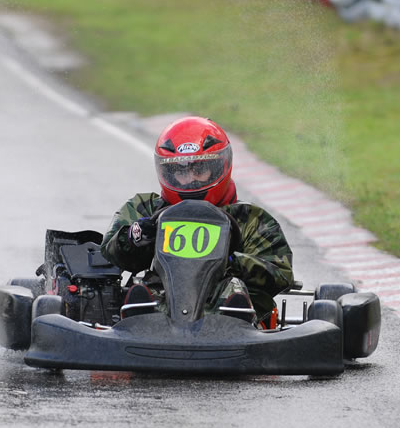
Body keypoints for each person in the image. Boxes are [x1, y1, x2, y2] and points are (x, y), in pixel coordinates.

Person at [100, 116, 294, 323]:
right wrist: (135, 237)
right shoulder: (145, 207)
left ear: (219, 167)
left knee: (233, 288)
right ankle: (139, 317)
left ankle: (235, 317)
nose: (190, 179)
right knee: (146, 284)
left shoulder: (252, 219)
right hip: (164, 303)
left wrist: (229, 260)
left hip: (225, 312)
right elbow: (109, 251)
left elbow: (280, 274)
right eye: (180, 171)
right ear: (167, 173)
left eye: (199, 170)